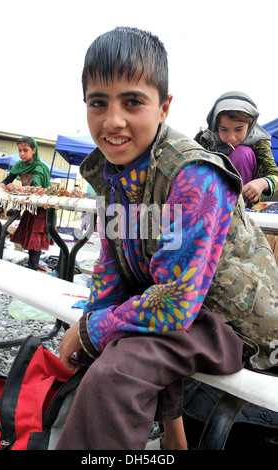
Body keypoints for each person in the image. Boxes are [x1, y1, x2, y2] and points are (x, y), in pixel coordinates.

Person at [56, 27, 278, 450]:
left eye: (133, 101)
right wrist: (92, 325)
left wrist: (92, 330)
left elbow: (175, 303)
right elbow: (111, 265)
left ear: (164, 107)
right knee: (109, 342)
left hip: (239, 329)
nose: (113, 120)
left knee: (116, 372)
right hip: (183, 310)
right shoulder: (115, 175)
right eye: (98, 102)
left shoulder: (192, 174)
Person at [195, 91, 278, 205]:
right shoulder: (208, 140)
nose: (231, 137)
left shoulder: (258, 140)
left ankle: (237, 206)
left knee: (242, 153)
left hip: (245, 201)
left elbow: (274, 175)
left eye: (239, 129)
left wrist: (262, 183)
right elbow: (195, 171)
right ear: (215, 125)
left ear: (251, 124)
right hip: (211, 198)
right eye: (224, 129)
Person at [0, 136, 51, 270]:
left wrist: (18, 187)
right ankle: (31, 268)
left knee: (35, 240)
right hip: (31, 208)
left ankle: (33, 270)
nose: (22, 154)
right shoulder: (19, 165)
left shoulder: (40, 167)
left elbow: (35, 187)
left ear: (34, 150)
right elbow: (9, 179)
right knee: (29, 239)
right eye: (19, 150)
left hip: (42, 209)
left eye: (25, 150)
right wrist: (0, 185)